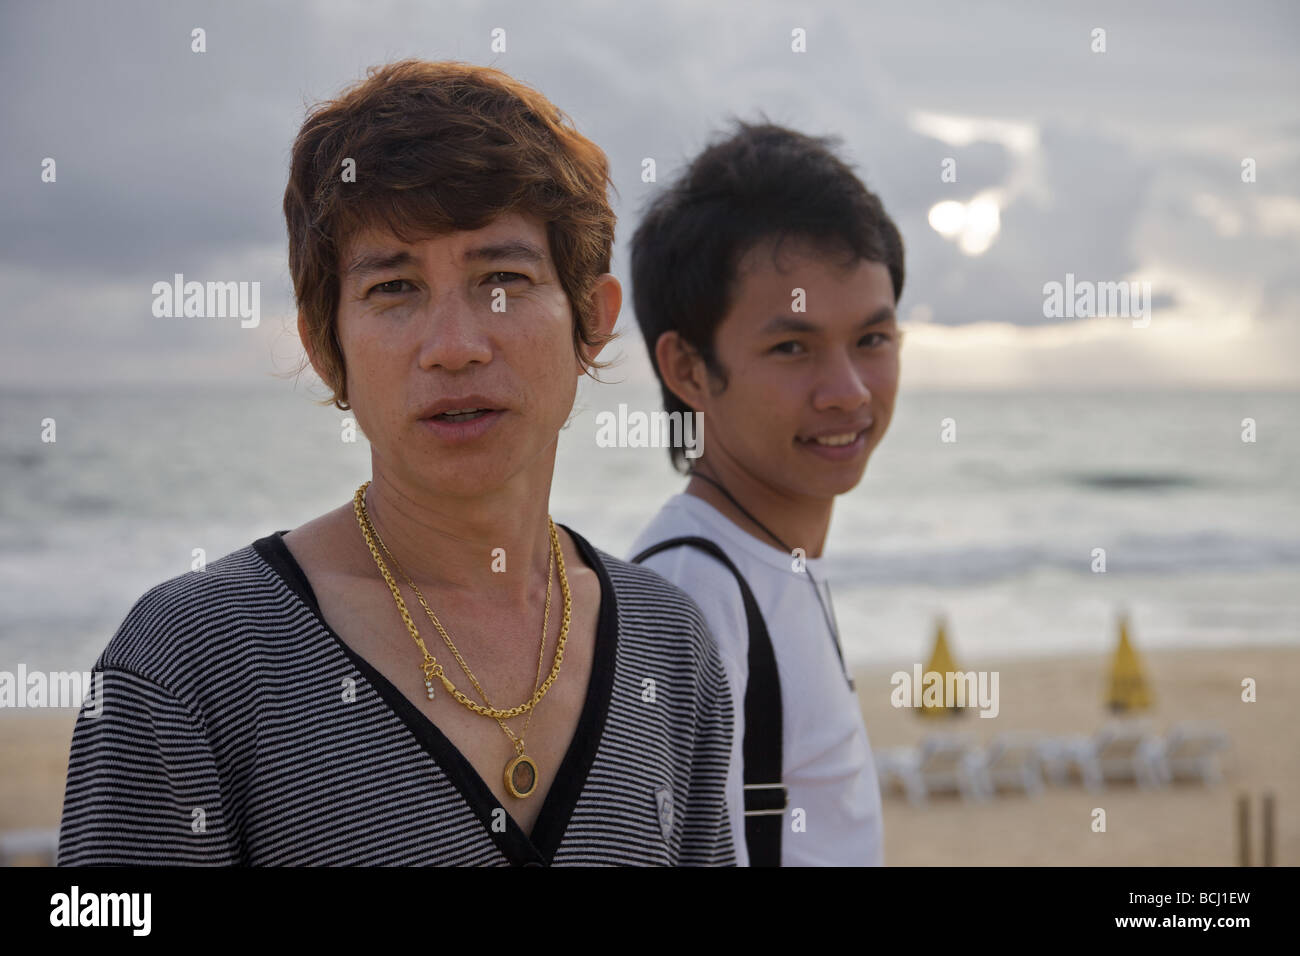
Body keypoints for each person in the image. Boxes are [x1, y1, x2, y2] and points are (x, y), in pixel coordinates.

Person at [57, 60, 736, 867]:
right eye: (394, 289)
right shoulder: (192, 663)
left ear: (591, 319)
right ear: (325, 346)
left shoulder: (670, 645)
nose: (454, 347)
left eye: (502, 280)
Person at [627, 121, 904, 866]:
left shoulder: (773, 562)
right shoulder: (691, 594)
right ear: (687, 370)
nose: (847, 393)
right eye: (792, 348)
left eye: (872, 340)